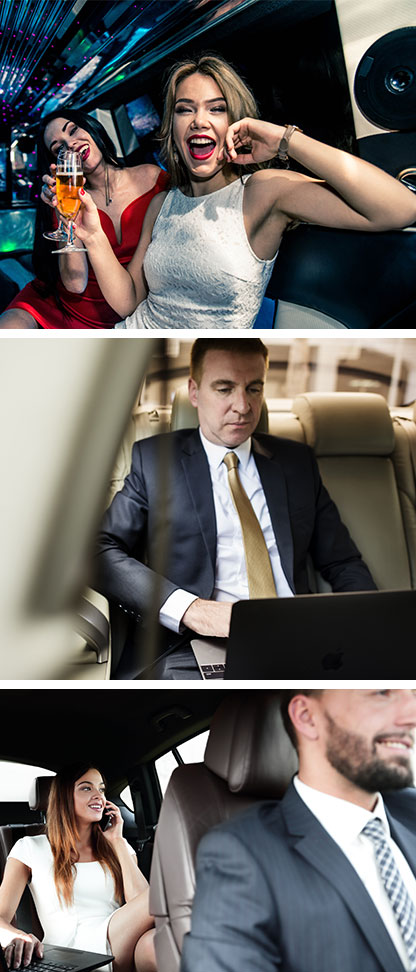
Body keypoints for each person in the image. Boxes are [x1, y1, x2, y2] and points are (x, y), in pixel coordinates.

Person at [94, 337, 376, 679]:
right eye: (225, 389)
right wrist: (192, 610)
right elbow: (101, 550)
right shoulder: (154, 460)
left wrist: (362, 627)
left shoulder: (296, 462)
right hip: (194, 645)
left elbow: (343, 561)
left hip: (300, 638)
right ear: (195, 392)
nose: (242, 406)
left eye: (253, 389)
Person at [71, 54, 416, 329]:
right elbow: (130, 300)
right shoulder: (162, 203)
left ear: (236, 121)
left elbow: (401, 208)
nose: (199, 121)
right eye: (184, 109)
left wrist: (285, 140)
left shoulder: (263, 192)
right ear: (172, 129)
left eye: (216, 108)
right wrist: (93, 235)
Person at [181, 688, 416, 972]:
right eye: (382, 693)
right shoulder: (240, 855)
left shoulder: (410, 809)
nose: (412, 715)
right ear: (307, 717)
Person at [0, 109, 168, 329]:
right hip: (69, 305)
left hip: (129, 303)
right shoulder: (68, 197)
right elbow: (74, 283)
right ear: (56, 161)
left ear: (91, 127)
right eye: (59, 147)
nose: (70, 144)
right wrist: (67, 218)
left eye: (73, 130)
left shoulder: (155, 179)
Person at [0, 764, 156, 972]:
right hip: (72, 953)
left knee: (155, 944)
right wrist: (17, 937)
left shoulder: (118, 846)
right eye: (86, 788)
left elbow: (143, 904)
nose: (98, 796)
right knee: (165, 893)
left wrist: (117, 841)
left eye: (101, 789)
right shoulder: (29, 847)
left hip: (121, 944)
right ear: (63, 797)